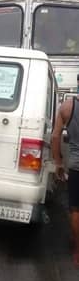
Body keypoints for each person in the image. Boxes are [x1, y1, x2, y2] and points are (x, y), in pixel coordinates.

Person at [52, 96, 79, 266]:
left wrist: (58, 163)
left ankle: (78, 250)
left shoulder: (68, 106)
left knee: (76, 210)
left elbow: (55, 137)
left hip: (76, 167)